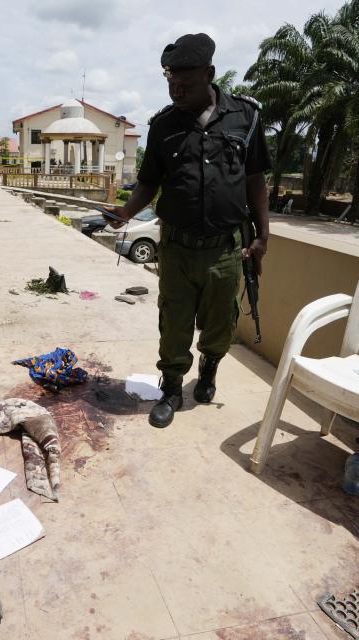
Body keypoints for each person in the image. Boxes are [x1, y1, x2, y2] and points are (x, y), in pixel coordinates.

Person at [106, 33, 271, 429]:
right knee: (174, 321)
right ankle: (171, 388)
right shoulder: (163, 125)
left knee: (220, 323)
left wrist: (263, 236)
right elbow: (149, 181)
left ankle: (210, 367)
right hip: (177, 248)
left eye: (186, 83)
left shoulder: (245, 116)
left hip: (226, 249)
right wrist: (126, 212)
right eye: (171, 83)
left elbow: (255, 180)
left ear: (209, 75)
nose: (177, 91)